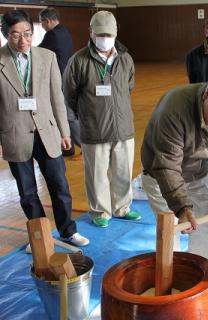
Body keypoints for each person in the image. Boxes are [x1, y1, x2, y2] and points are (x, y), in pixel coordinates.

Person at [0, 9, 89, 249]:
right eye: (15, 35)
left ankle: (68, 231)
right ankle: (39, 237)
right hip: (14, 134)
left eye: (28, 34)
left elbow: (56, 98)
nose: (23, 41)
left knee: (59, 185)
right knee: (27, 192)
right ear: (6, 34)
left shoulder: (46, 57)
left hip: (47, 132)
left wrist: (65, 131)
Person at [141, 71, 208, 261]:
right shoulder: (173, 109)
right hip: (161, 175)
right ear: (206, 95)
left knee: (203, 225)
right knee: (170, 230)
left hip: (200, 171)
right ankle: (171, 278)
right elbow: (167, 166)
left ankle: (201, 276)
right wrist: (182, 208)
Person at [63, 11, 140, 228]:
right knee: (97, 176)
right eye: (100, 34)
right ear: (90, 32)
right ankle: (100, 211)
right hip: (94, 129)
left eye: (109, 34)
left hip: (124, 127)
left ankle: (122, 207)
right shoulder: (78, 61)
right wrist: (84, 118)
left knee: (123, 172)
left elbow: (129, 87)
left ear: (115, 34)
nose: (105, 38)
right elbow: (69, 94)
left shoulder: (126, 58)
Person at [38, 7, 80, 159]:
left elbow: (37, 52)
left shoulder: (52, 34)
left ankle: (84, 145)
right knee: (65, 114)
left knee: (66, 115)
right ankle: (68, 148)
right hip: (68, 77)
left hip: (60, 79)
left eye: (42, 23)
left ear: (47, 21)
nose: (42, 26)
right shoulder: (64, 31)